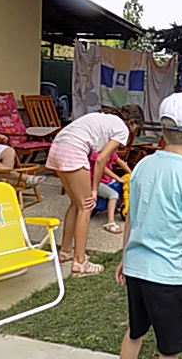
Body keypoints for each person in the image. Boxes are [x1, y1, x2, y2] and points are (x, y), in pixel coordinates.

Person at [115, 92, 182, 359]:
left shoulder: (142, 166)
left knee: (135, 331)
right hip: (169, 277)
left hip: (136, 269)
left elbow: (132, 217)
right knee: (170, 349)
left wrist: (126, 257)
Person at [45, 105, 144, 276]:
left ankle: (66, 251)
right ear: (133, 123)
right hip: (73, 151)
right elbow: (101, 160)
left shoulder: (104, 118)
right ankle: (80, 261)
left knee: (76, 204)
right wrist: (94, 189)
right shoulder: (122, 128)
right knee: (86, 206)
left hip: (57, 149)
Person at [89, 151, 132, 234]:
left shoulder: (111, 153)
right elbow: (103, 168)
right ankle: (110, 223)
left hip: (106, 181)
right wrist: (118, 178)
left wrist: (131, 174)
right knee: (113, 194)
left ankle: (114, 207)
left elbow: (121, 162)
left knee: (121, 187)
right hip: (94, 182)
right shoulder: (97, 153)